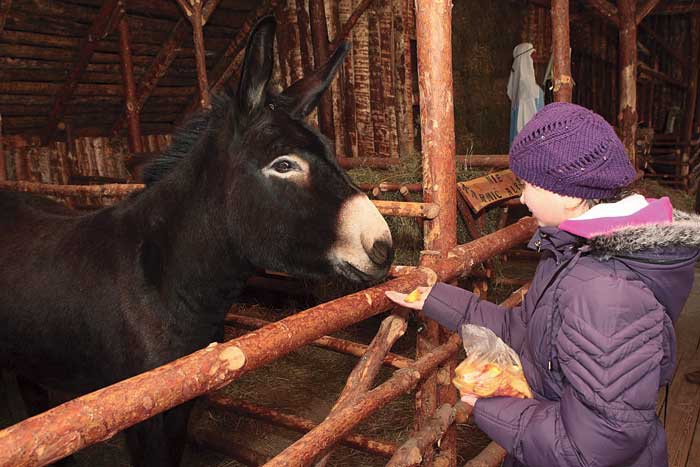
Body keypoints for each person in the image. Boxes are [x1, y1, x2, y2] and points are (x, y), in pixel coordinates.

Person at [386, 102, 700, 467]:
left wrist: (488, 409)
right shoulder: (574, 252)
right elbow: (526, 329)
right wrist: (435, 298)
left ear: (567, 194)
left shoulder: (607, 291)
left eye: (527, 184)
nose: (521, 198)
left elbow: (593, 447)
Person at [507, 43, 544, 147]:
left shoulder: (520, 87)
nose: (534, 61)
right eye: (532, 57)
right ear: (525, 60)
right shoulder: (527, 87)